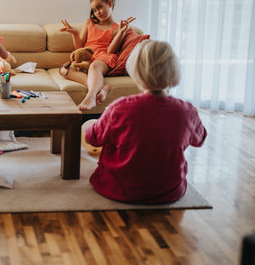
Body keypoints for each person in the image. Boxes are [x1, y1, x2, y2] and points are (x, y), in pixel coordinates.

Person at [84, 40, 207, 203]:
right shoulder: (187, 111)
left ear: (136, 71)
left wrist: (103, 121)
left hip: (117, 188)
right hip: (169, 190)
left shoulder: (120, 108)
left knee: (90, 126)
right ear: (174, 71)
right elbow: (200, 140)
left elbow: (92, 138)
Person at [60, 0, 136, 110]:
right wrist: (75, 34)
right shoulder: (89, 23)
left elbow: (111, 50)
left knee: (94, 67)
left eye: (100, 7)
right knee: (64, 70)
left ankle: (90, 97)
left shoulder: (117, 28)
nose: (97, 12)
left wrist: (121, 32)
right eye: (94, 10)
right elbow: (79, 48)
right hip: (88, 56)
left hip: (103, 57)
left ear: (109, 3)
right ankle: (102, 88)